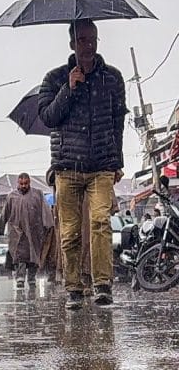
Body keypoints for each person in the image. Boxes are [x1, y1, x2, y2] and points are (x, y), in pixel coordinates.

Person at [38, 18, 129, 309]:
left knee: (101, 222)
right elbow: (48, 118)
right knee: (70, 231)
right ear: (71, 44)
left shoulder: (112, 78)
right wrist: (69, 88)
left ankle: (103, 285)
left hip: (102, 165)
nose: (88, 46)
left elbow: (118, 123)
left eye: (92, 40)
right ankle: (75, 287)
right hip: (66, 167)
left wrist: (117, 162)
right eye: (82, 40)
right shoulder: (54, 78)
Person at [0, 173, 55, 289]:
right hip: (17, 232)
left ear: (29, 183)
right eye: (21, 184)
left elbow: (45, 210)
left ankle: (32, 278)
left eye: (26, 183)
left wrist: (48, 225)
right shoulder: (11, 196)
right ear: (18, 183)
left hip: (34, 231)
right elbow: (5, 213)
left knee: (33, 257)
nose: (23, 186)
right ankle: (20, 278)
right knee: (20, 256)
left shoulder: (37, 194)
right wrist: (0, 228)